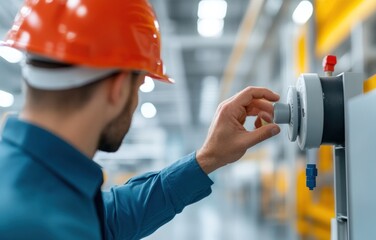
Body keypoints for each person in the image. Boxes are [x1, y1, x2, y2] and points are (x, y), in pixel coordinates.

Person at [0, 0, 281, 239]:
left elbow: (109, 219)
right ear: (119, 88)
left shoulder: (42, 190)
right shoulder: (36, 225)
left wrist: (207, 158)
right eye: (139, 87)